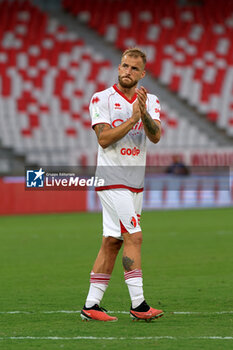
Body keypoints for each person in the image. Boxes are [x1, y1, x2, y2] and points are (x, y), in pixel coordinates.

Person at [81, 48, 163, 322]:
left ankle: (91, 305)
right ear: (118, 67)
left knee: (112, 242)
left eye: (134, 68)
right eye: (124, 66)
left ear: (143, 73)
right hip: (111, 178)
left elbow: (155, 137)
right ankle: (139, 306)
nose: (128, 71)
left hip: (134, 182)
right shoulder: (101, 98)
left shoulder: (150, 100)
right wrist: (132, 119)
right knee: (134, 236)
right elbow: (103, 139)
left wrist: (145, 115)